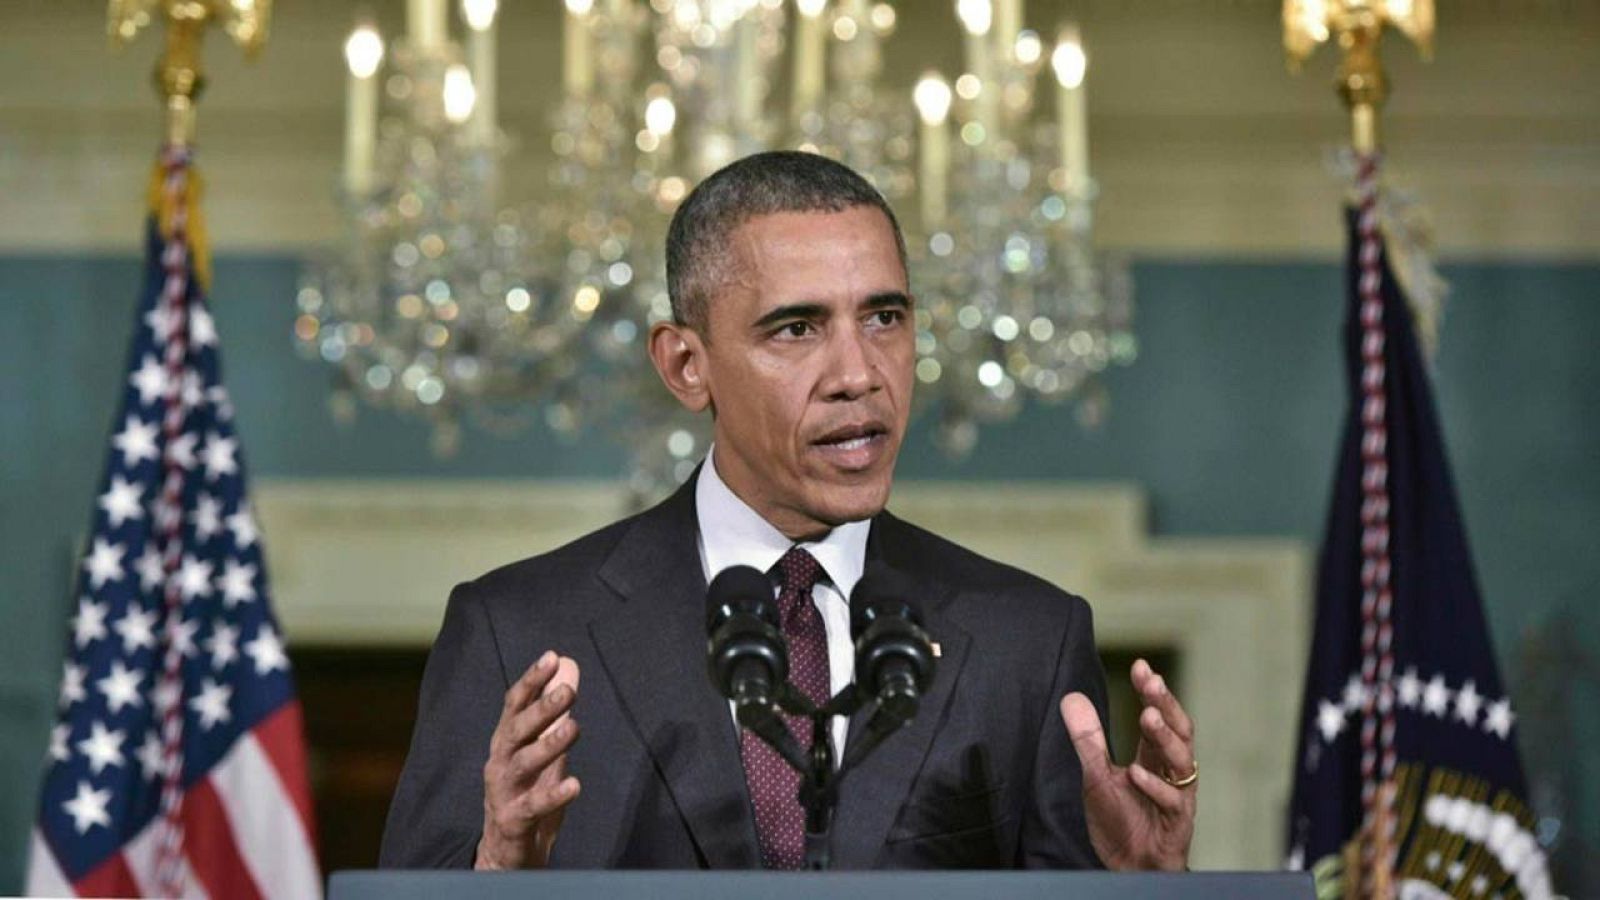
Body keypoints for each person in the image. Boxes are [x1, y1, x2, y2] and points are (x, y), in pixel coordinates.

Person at [379, 151, 1198, 871]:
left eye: (884, 317)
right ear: (685, 365)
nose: (858, 373)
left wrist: (1142, 894)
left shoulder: (1027, 641)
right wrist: (496, 873)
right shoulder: (517, 634)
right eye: (798, 328)